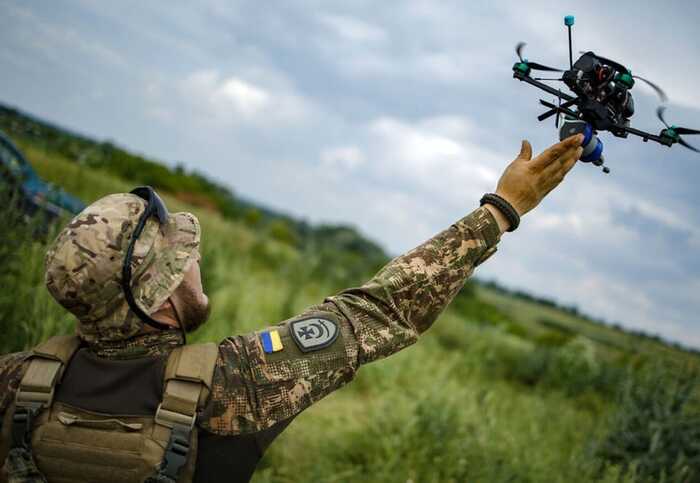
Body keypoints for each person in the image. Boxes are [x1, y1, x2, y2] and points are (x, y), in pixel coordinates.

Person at [0, 135, 584, 482]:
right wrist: (502, 209)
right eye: (182, 260)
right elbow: (380, 311)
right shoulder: (236, 387)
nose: (196, 263)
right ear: (159, 297)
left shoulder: (13, 385)